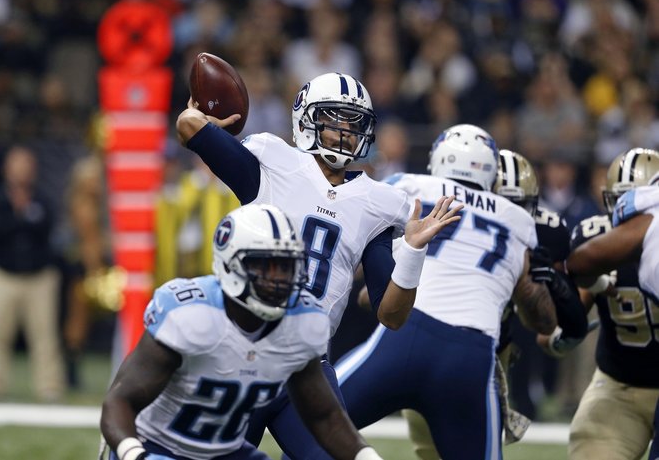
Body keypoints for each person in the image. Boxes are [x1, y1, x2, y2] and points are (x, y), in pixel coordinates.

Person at [176, 72, 462, 459]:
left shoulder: (378, 202)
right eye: (334, 118)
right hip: (243, 350)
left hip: (308, 363)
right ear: (305, 119)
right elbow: (188, 126)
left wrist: (411, 251)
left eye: (353, 122)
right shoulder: (273, 161)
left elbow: (391, 316)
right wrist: (207, 118)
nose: (344, 131)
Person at [335, 125, 558, 460]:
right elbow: (543, 320)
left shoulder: (406, 185)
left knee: (310, 422)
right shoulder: (518, 220)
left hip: (403, 339)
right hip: (470, 355)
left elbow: (365, 279)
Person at [100, 204, 385, 460]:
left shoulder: (301, 320)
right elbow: (120, 401)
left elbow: (323, 416)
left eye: (287, 267)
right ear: (231, 263)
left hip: (225, 451)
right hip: (158, 447)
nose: (280, 279)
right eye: (268, 266)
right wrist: (134, 454)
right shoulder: (190, 314)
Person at [397, 149, 587, 459]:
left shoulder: (547, 232)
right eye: (502, 203)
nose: (510, 214)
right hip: (435, 345)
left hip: (490, 356)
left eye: (520, 207)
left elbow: (568, 323)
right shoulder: (442, 224)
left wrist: (551, 282)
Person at [563, 148, 659, 460]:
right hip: (620, 387)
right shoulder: (596, 242)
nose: (625, 211)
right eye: (619, 201)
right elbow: (567, 315)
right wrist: (560, 332)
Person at [0, 145, 65, 401]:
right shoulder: (2, 200)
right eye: (17, 164)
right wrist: (20, 218)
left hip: (39, 277)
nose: (21, 170)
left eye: (26, 164)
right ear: (7, 169)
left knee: (45, 336)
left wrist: (22, 217)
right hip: (5, 274)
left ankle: (49, 386)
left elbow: (46, 231)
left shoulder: (43, 199)